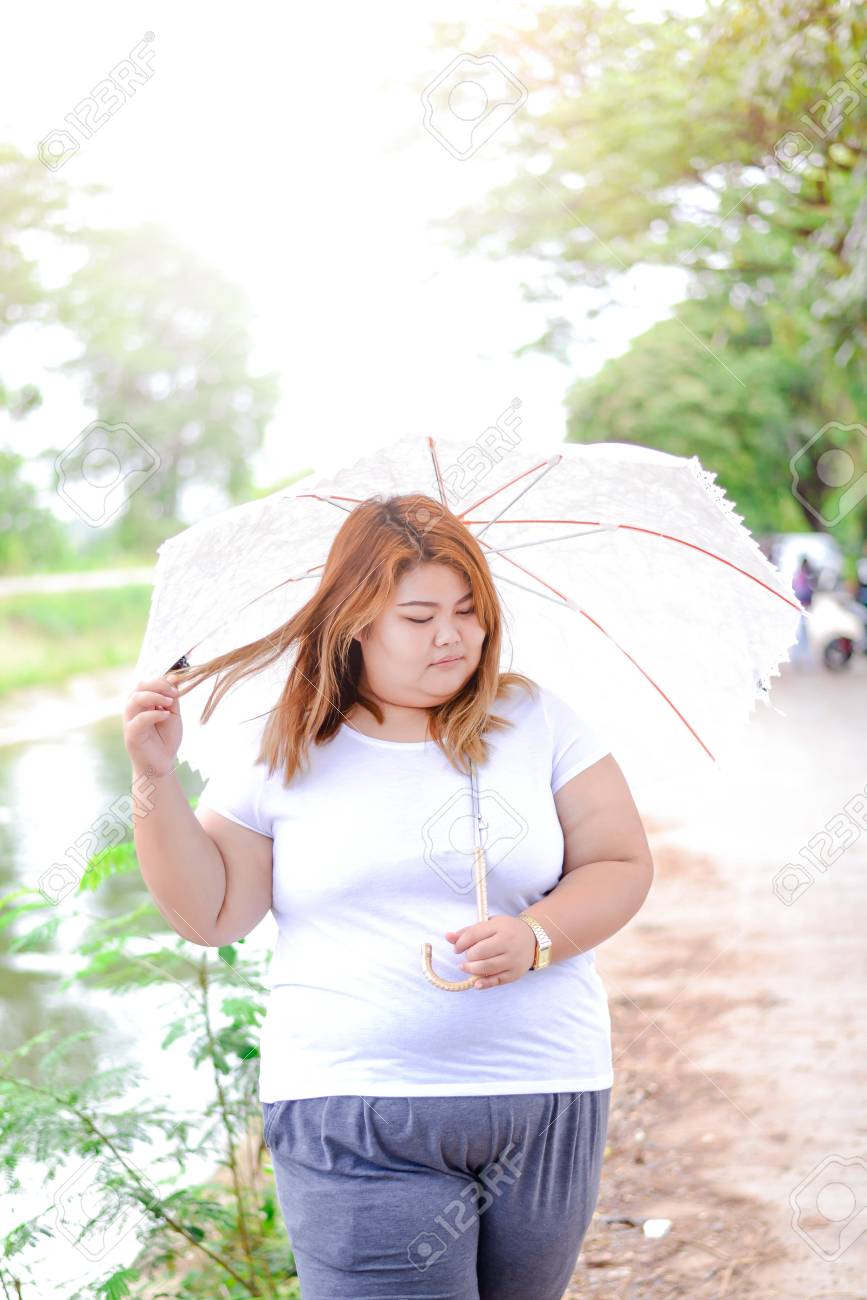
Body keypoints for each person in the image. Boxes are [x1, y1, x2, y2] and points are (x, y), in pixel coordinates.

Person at [123, 493, 654, 1300]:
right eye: (418, 616)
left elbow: (618, 862)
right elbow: (211, 915)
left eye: (468, 611)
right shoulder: (284, 744)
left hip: (544, 1099)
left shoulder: (534, 719)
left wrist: (537, 936)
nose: (452, 635)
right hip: (353, 1115)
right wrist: (153, 779)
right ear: (355, 622)